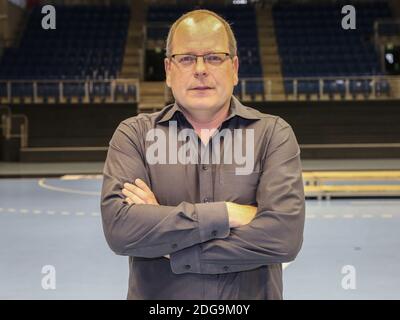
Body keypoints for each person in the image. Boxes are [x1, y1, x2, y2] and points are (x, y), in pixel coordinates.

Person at [101, 9, 305, 300]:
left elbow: (283, 238)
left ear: (234, 68)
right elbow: (122, 231)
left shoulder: (273, 134)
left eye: (213, 57)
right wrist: (228, 214)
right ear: (169, 71)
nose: (200, 69)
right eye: (186, 59)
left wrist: (173, 245)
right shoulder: (134, 135)